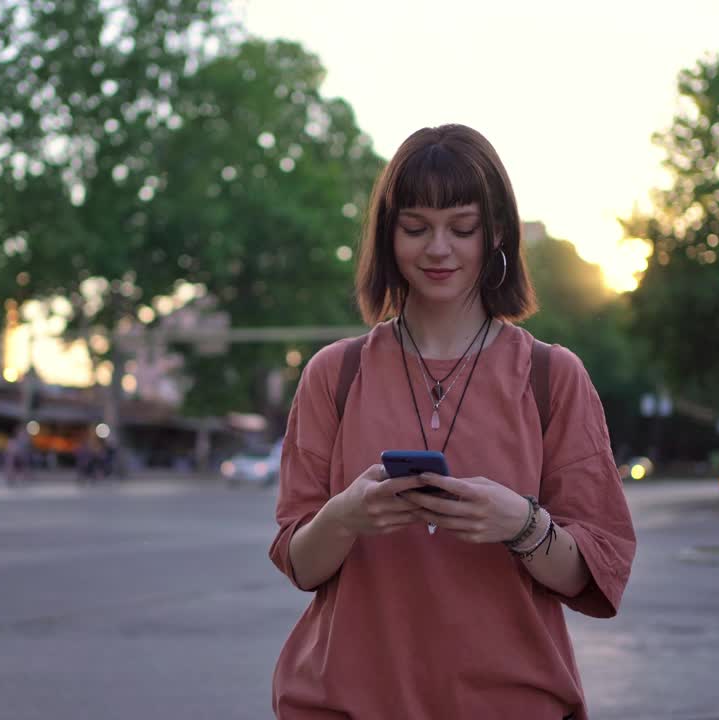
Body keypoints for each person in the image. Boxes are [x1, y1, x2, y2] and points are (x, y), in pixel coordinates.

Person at [269, 124, 636, 720]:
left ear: (496, 234)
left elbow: (593, 573)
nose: (438, 249)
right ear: (388, 235)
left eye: (461, 228)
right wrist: (346, 515)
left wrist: (521, 524)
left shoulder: (553, 377)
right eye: (415, 227)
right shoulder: (333, 374)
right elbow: (301, 563)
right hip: (345, 702)